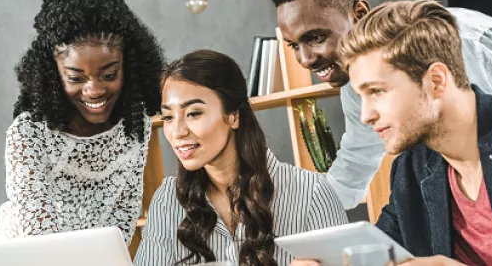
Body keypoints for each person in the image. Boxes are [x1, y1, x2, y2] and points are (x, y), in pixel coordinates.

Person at [295, 0, 492, 266]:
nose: (365, 116)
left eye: (377, 91)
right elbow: (382, 252)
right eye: (361, 96)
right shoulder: (411, 172)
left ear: (436, 80)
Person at [133, 50, 348, 266]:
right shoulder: (167, 201)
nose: (177, 132)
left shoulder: (312, 194)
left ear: (233, 116)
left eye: (193, 113)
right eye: (168, 117)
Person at [0, 0, 165, 245]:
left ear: (130, 66)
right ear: (53, 74)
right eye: (76, 78)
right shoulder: (29, 132)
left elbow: (123, 218)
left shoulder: (135, 123)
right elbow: (38, 235)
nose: (93, 90)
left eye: (109, 75)